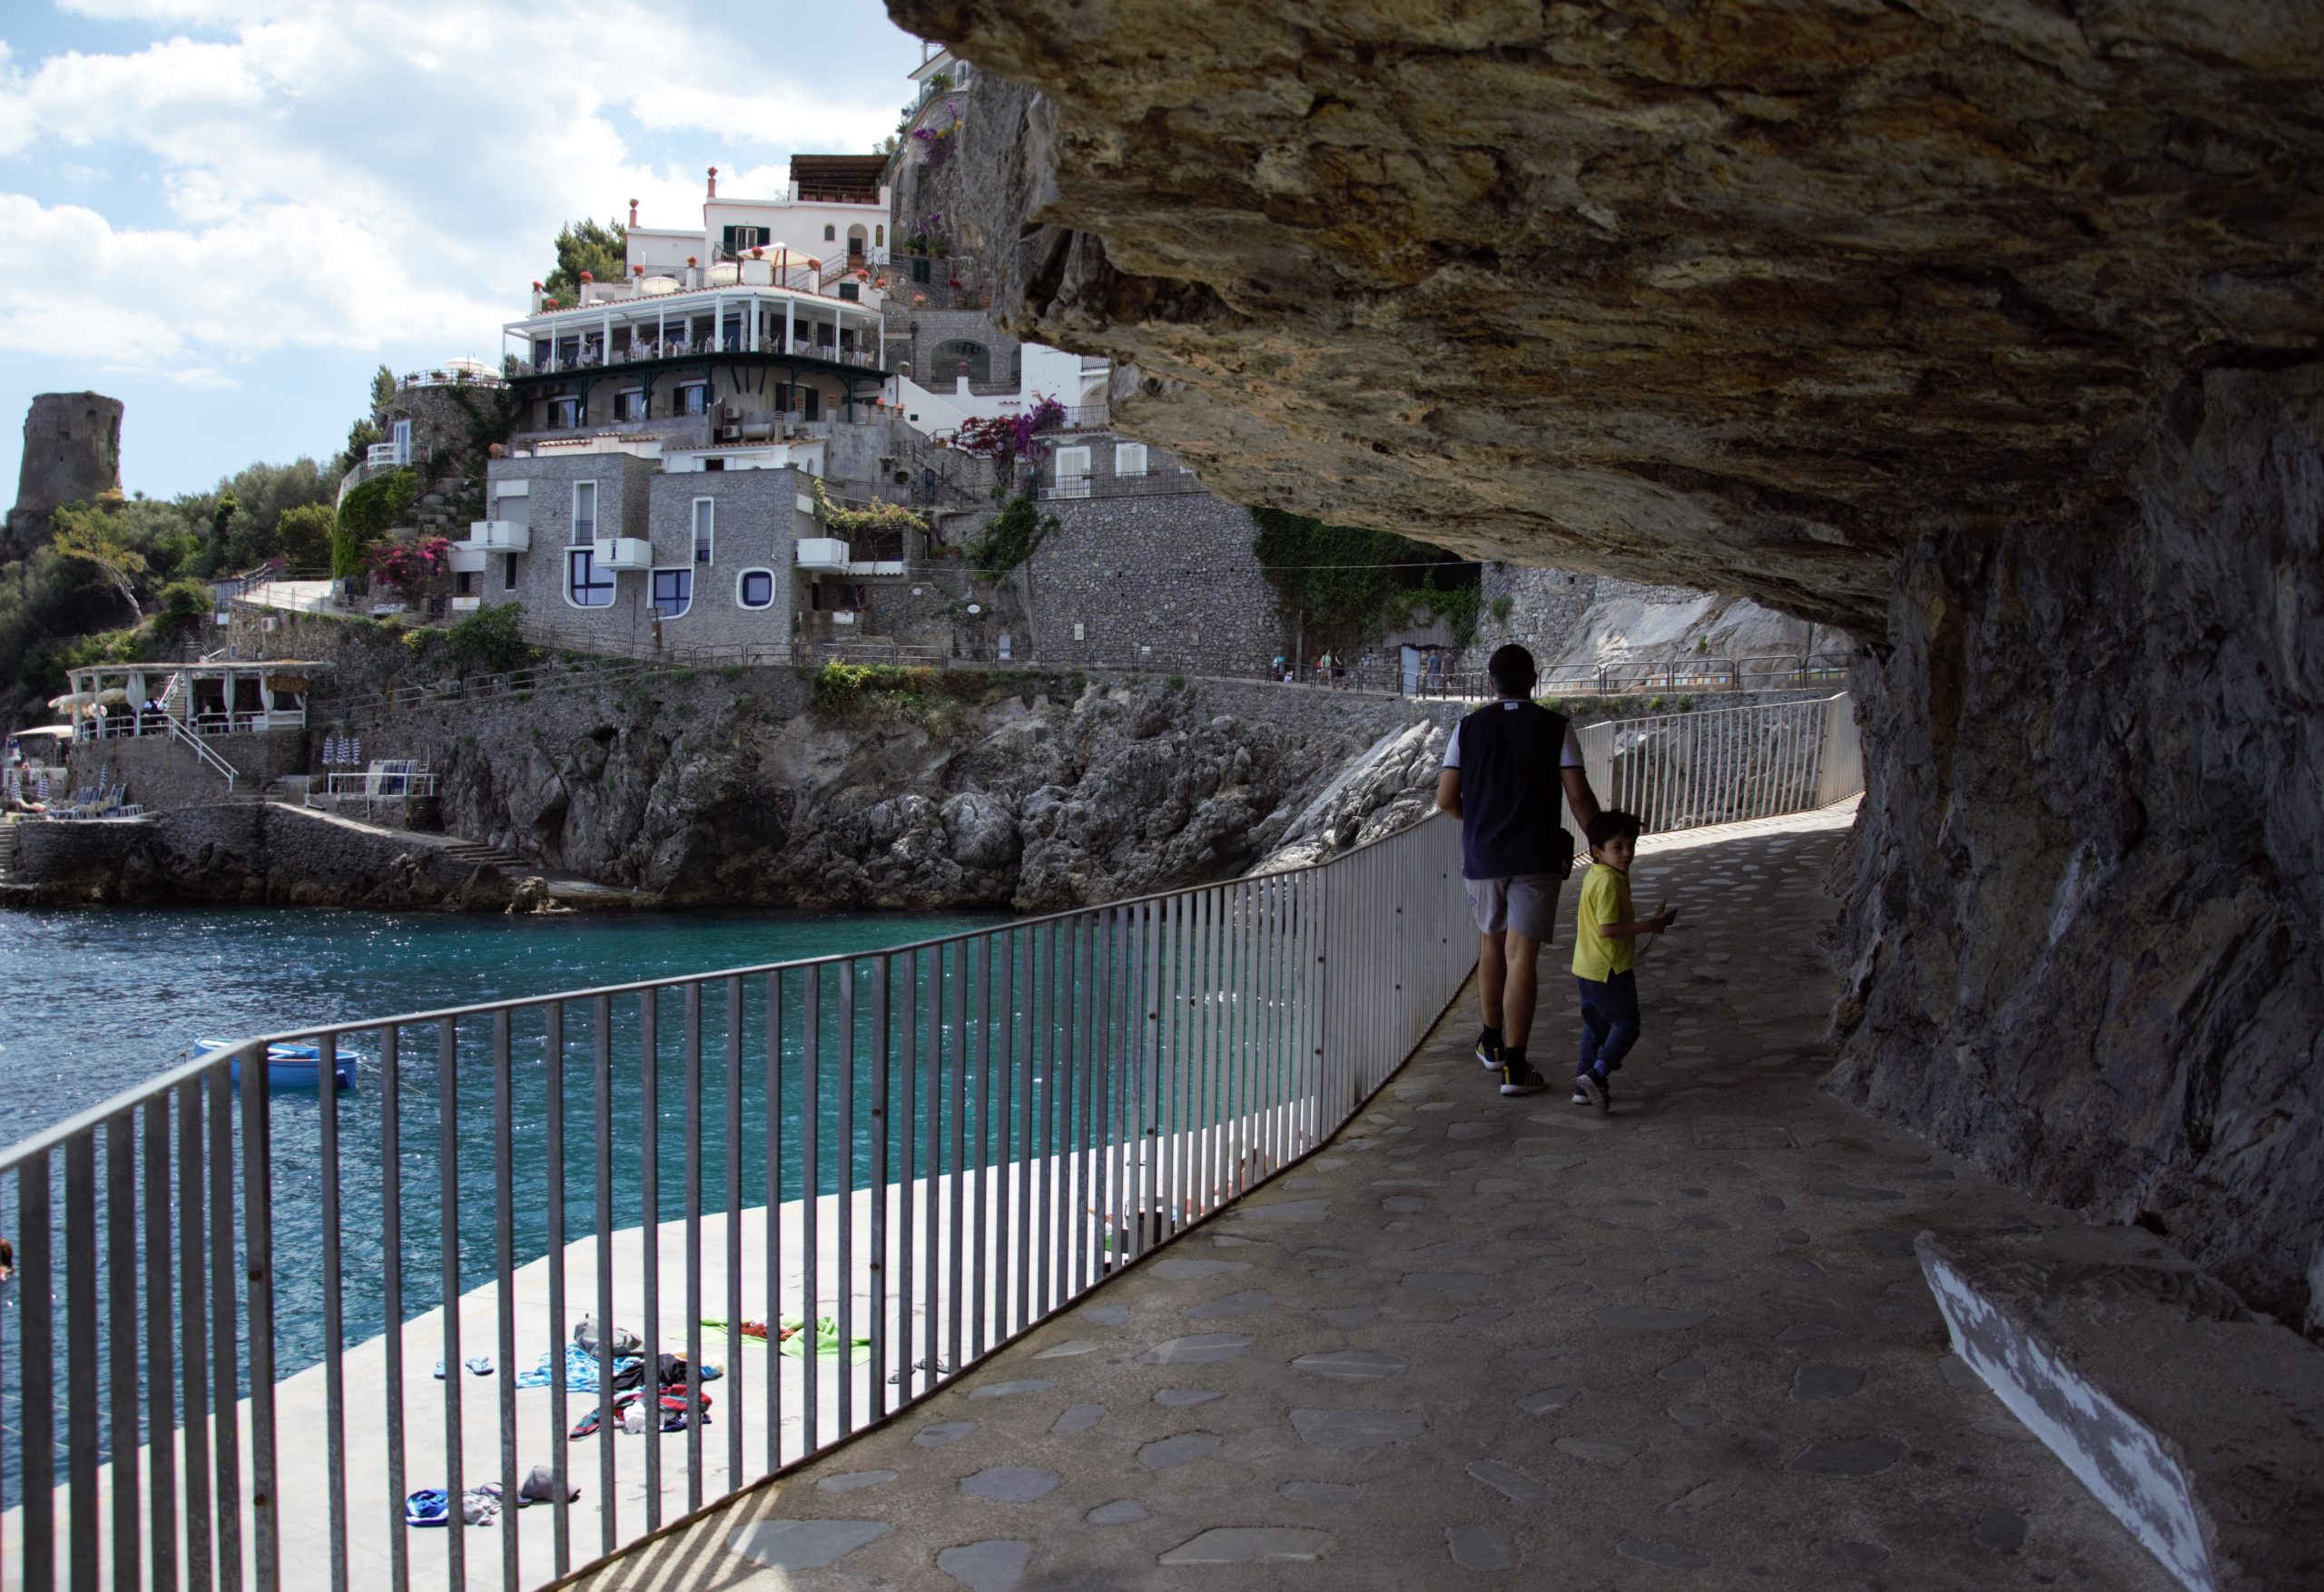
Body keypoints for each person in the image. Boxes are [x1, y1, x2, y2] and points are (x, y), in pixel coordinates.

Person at [1435, 644, 1602, 1096]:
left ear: (1491, 682)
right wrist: (1602, 844)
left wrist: (1485, 820)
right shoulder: (1557, 728)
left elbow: (1447, 800)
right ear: (1534, 680)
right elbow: (1580, 798)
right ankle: (1517, 1067)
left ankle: (1491, 1044)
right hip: (1536, 856)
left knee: (1491, 945)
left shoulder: (1467, 729)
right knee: (1521, 955)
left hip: (1484, 857)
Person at [1570, 809, 1678, 1112]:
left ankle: (1583, 1086)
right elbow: (1608, 929)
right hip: (1609, 969)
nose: (1627, 854)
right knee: (1628, 1026)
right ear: (1598, 851)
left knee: (1596, 1028)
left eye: (1631, 845)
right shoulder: (1609, 883)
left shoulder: (1599, 873)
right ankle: (1597, 1072)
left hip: (1587, 967)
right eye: (1618, 847)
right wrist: (1650, 926)